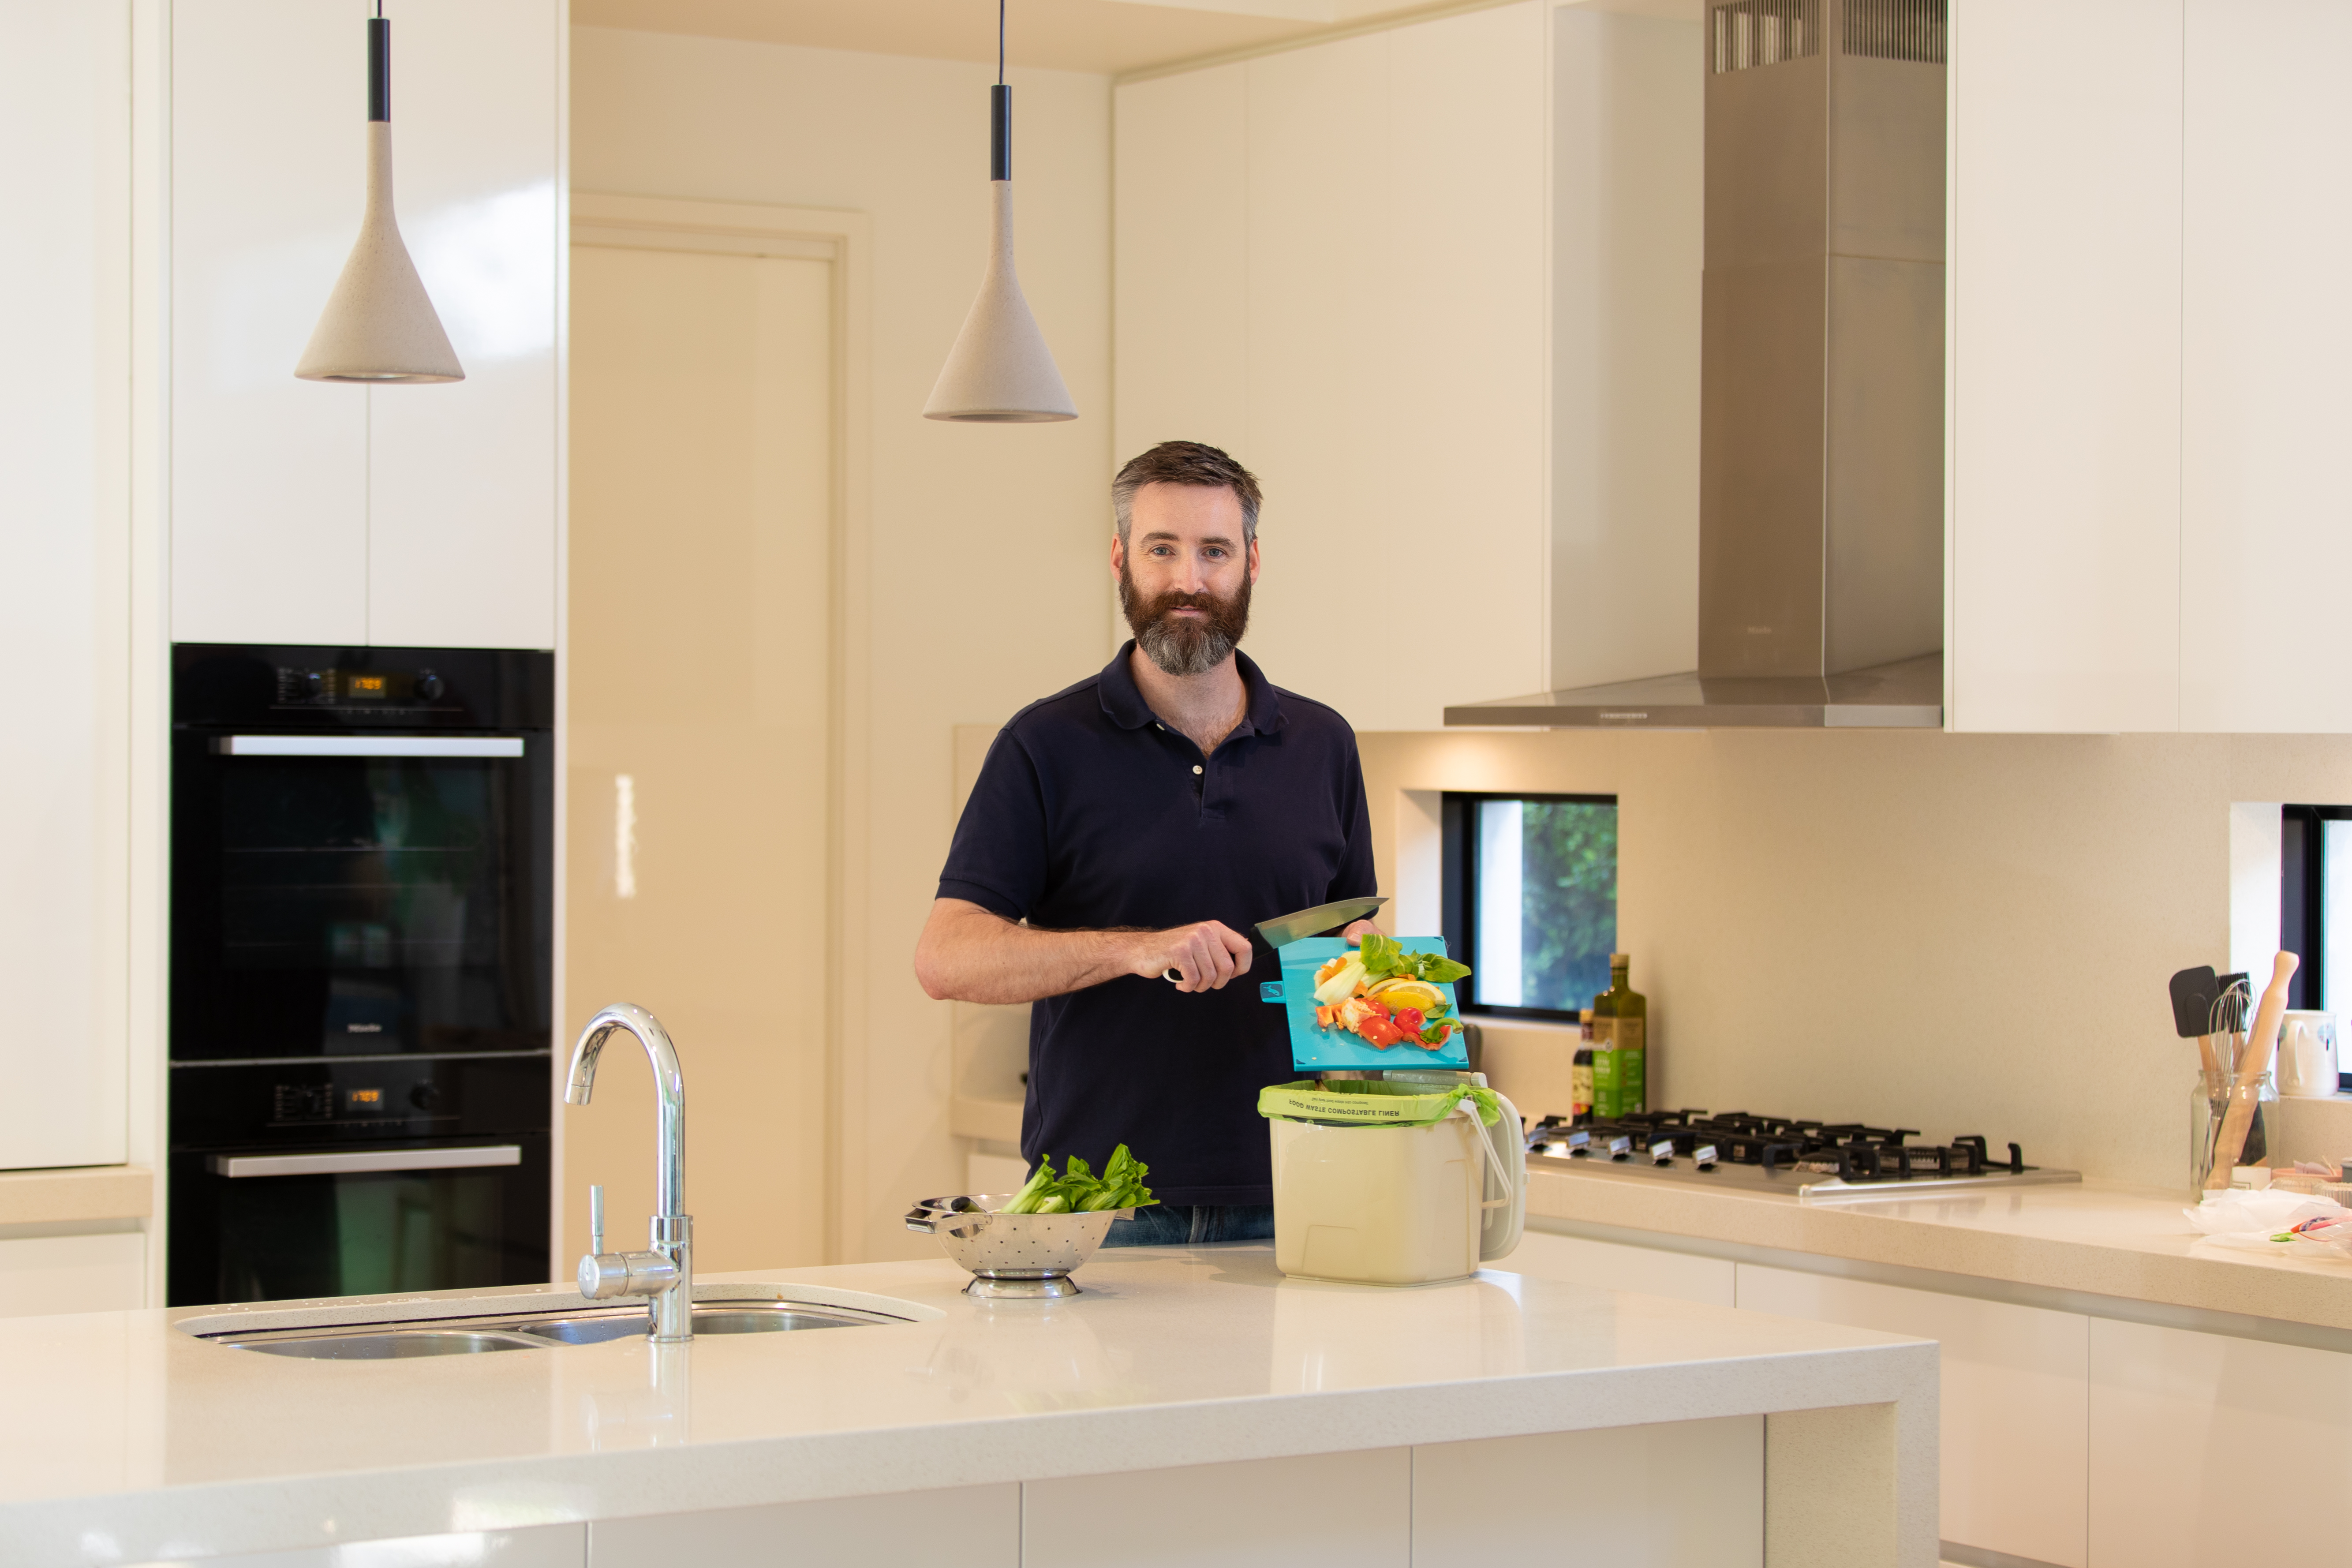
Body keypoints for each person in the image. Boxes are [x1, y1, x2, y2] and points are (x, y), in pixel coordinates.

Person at [914, 441, 1379, 1246]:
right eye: (1162, 550)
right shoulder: (1043, 745)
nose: (1188, 581)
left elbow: (1345, 935)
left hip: (1294, 1194)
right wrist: (1135, 950)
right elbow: (945, 958)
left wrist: (1369, 963)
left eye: (1214, 552)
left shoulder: (1323, 744)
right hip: (1098, 1208)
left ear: (1252, 562)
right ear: (1121, 559)